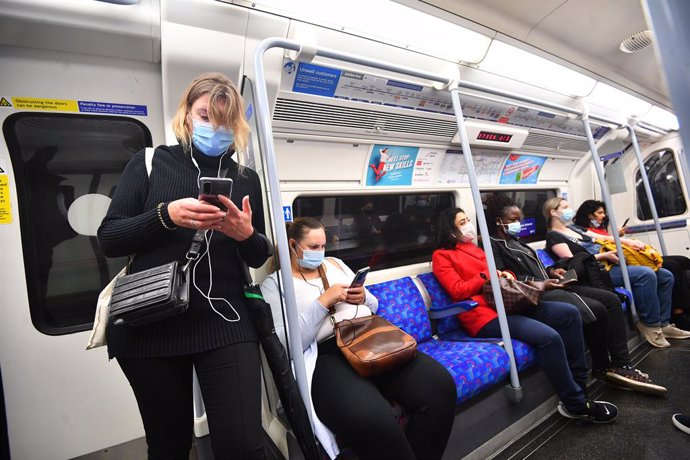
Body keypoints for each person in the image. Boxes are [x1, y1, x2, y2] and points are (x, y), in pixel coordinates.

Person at [98, 73, 272, 459]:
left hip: (226, 320)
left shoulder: (245, 179)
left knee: (244, 446)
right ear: (187, 114)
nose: (215, 128)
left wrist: (246, 234)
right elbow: (109, 237)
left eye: (226, 121)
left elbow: (259, 257)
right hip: (150, 322)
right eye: (206, 115)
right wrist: (166, 215)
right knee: (169, 446)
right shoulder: (149, 163)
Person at [261, 217, 456, 460]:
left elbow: (374, 305)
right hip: (326, 355)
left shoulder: (335, 264)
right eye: (313, 247)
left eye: (323, 246)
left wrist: (362, 297)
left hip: (368, 337)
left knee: (440, 388)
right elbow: (284, 347)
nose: (320, 252)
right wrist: (323, 303)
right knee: (373, 419)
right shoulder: (276, 285)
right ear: (293, 246)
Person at [432, 207, 618, 423]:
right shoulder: (441, 256)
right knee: (549, 337)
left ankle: (579, 383)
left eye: (466, 220)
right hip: (482, 315)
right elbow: (457, 289)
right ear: (450, 229)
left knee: (569, 313)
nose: (468, 225)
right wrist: (487, 275)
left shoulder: (474, 248)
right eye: (462, 222)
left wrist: (504, 274)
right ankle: (575, 403)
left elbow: (503, 274)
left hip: (506, 302)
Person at [486, 195, 665, 395]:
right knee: (596, 308)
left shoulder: (516, 240)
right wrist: (543, 282)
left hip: (551, 283)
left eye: (519, 219)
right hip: (534, 292)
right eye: (513, 220)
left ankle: (622, 363)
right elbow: (506, 279)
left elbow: (537, 267)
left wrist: (553, 271)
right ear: (498, 221)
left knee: (611, 300)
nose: (518, 224)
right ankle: (602, 366)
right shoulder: (492, 245)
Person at [544, 197, 690, 348]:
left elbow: (603, 238)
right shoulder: (554, 236)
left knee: (665, 276)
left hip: (607, 265)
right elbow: (572, 261)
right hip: (594, 273)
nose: (570, 210)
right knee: (645, 274)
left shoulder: (574, 228)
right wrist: (604, 255)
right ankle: (650, 325)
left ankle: (664, 323)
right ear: (554, 212)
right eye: (565, 207)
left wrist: (629, 242)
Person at [574, 199, 690, 330]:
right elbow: (601, 244)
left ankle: (678, 311)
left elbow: (607, 240)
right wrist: (622, 240)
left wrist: (618, 236)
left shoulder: (600, 228)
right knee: (669, 267)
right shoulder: (582, 231)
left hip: (629, 256)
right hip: (612, 263)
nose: (604, 216)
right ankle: (675, 313)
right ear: (590, 215)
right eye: (600, 213)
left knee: (682, 261)